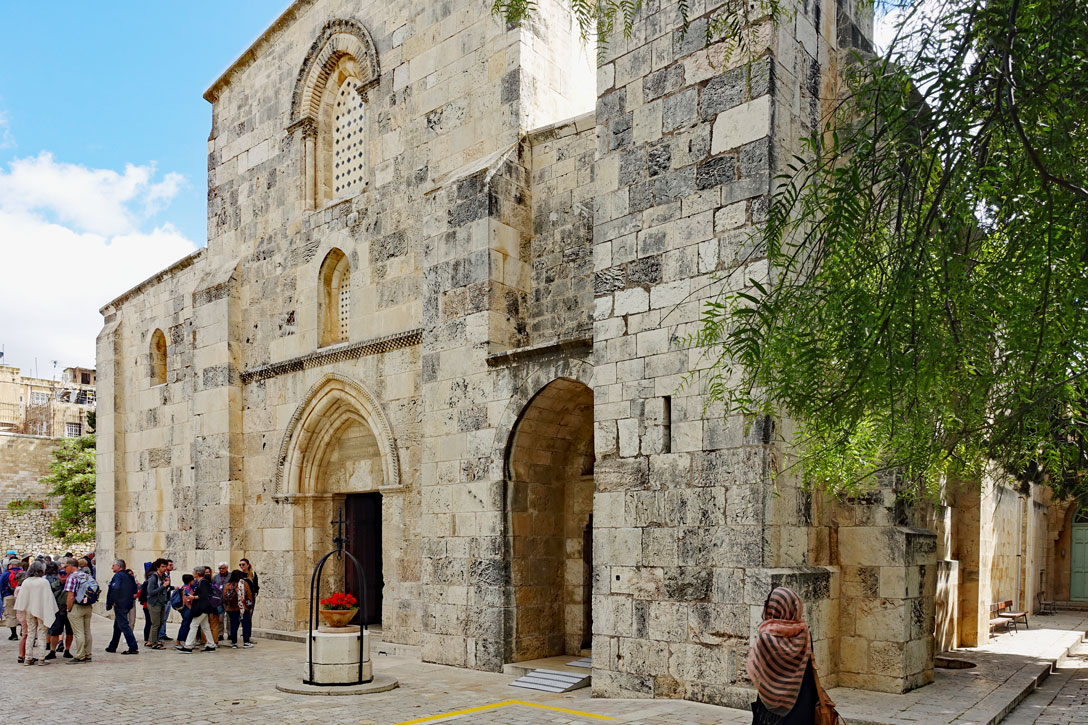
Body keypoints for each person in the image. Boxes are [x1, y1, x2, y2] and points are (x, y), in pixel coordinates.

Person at [747, 587, 819, 724]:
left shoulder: (765, 637)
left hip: (769, 706)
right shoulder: (804, 633)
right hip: (802, 703)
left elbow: (758, 669)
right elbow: (809, 670)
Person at [14, 561, 57, 666]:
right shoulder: (44, 582)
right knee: (42, 633)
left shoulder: (26, 582)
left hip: (29, 610)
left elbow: (23, 598)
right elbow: (48, 598)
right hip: (42, 610)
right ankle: (41, 658)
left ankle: (28, 658)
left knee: (30, 633)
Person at [63, 556, 95, 663]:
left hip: (77, 606)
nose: (64, 569)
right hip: (88, 606)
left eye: (65, 566)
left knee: (78, 632)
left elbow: (70, 595)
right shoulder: (86, 576)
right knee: (87, 631)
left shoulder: (72, 578)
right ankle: (88, 653)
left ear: (71, 566)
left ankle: (80, 655)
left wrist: (69, 608)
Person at [178, 566, 216, 653]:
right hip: (203, 608)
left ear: (197, 573)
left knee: (194, 625)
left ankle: (188, 646)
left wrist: (193, 597)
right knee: (205, 626)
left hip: (202, 608)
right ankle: (211, 645)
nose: (192, 572)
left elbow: (205, 595)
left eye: (194, 571)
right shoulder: (200, 582)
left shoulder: (203, 582)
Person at [105, 558, 139, 655]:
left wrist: (113, 601)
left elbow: (115, 589)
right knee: (117, 625)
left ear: (118, 566)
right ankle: (113, 646)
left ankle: (133, 646)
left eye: (113, 565)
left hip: (120, 604)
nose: (112, 567)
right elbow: (134, 590)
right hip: (128, 603)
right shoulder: (129, 576)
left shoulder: (118, 577)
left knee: (123, 625)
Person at [45, 567, 73, 659]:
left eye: (65, 574)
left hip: (69, 611)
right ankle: (52, 650)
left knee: (69, 632)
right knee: (55, 632)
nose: (63, 576)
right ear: (58, 575)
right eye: (61, 574)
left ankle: (67, 650)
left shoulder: (71, 585)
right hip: (57, 611)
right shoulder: (54, 585)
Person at [223, 569, 254, 649]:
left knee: (233, 626)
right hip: (243, 608)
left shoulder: (228, 585)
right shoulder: (244, 584)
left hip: (231, 609)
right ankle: (246, 642)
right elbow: (249, 596)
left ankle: (234, 643)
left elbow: (224, 597)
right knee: (245, 625)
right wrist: (250, 607)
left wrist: (227, 607)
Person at [145, 559, 169, 650]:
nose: (165, 568)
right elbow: (150, 591)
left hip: (161, 602)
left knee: (160, 623)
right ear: (157, 567)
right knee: (155, 624)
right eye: (163, 566)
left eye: (165, 566)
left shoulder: (162, 577)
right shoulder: (153, 578)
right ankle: (154, 643)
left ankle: (151, 640)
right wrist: (164, 586)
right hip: (154, 603)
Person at [0, 556, 23, 640]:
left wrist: (2, 596)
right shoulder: (24, 573)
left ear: (11, 565)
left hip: (8, 595)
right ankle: (23, 631)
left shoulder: (6, 574)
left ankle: (14, 634)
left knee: (10, 614)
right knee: (22, 614)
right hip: (21, 596)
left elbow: (1, 585)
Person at [212, 562, 230, 642]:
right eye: (220, 568)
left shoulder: (231, 576)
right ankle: (220, 634)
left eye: (223, 568)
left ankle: (230, 633)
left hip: (228, 600)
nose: (221, 570)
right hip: (219, 600)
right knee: (220, 618)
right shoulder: (215, 577)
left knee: (229, 618)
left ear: (227, 568)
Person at [158, 558, 175, 642]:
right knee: (162, 617)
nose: (172, 566)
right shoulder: (163, 576)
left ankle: (163, 633)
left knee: (165, 617)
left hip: (168, 598)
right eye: (170, 565)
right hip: (164, 598)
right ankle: (160, 634)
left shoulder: (168, 575)